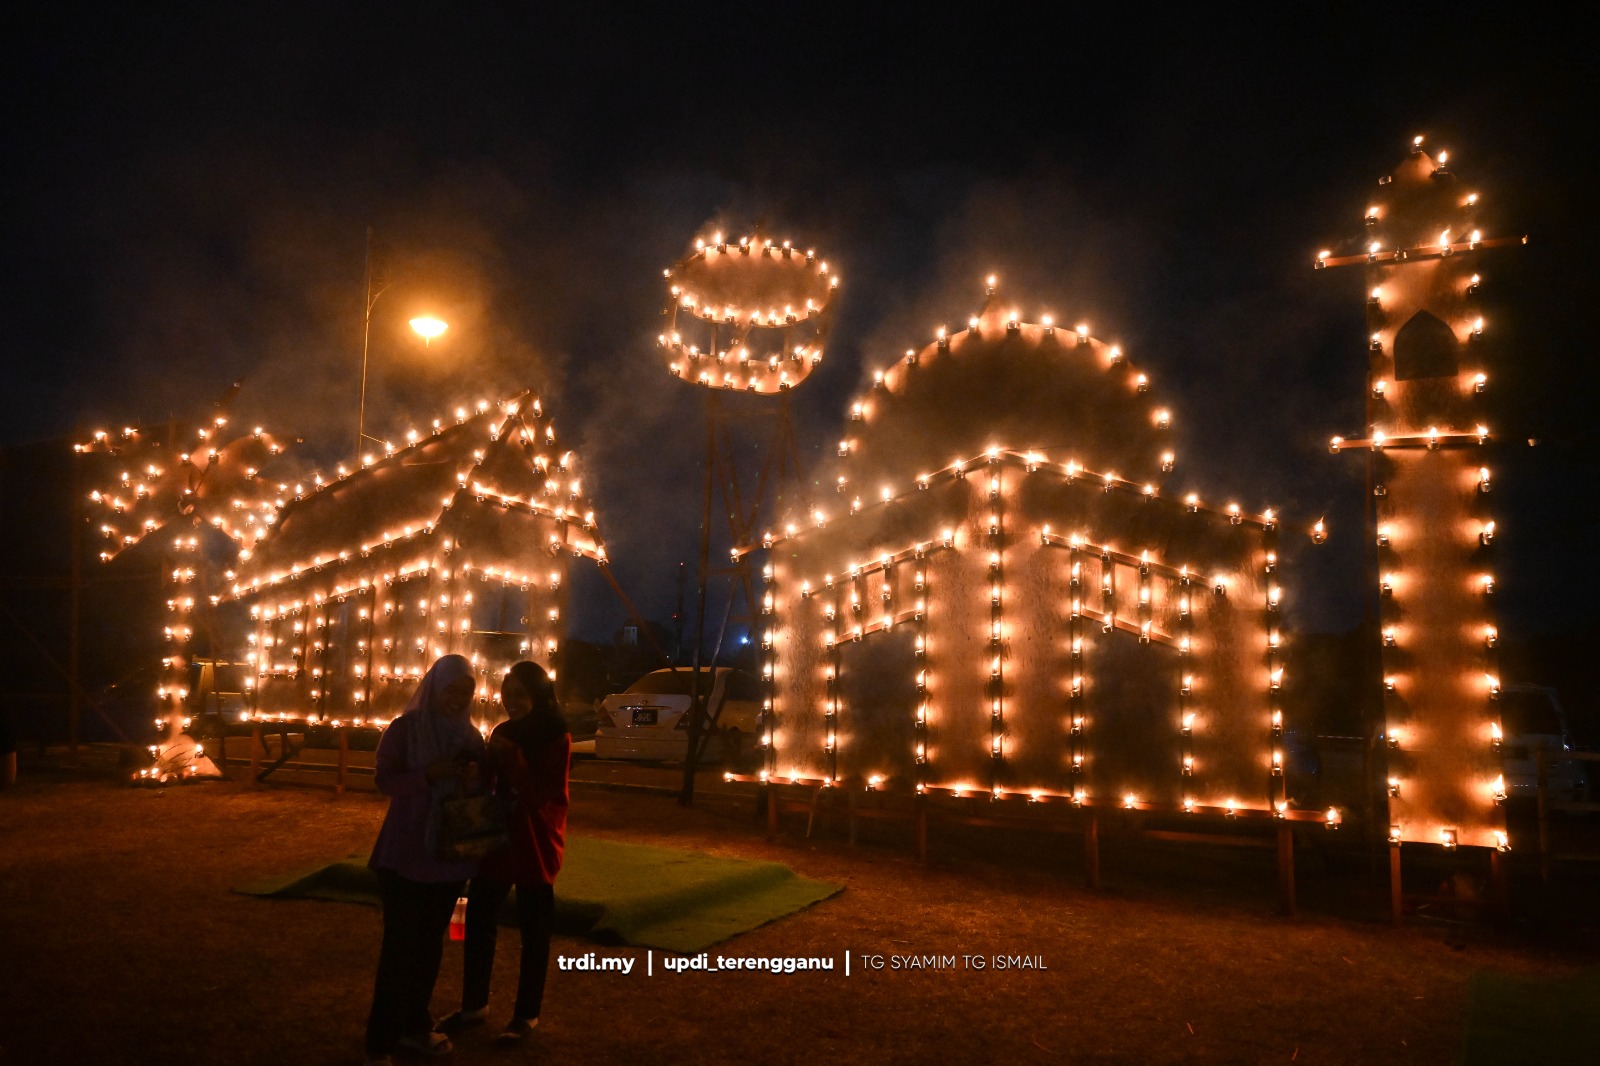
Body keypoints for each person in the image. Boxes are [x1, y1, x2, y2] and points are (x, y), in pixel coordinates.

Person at [435, 661, 570, 1045]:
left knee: (534, 929)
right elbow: (490, 782)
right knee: (478, 919)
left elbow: (545, 795)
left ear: (538, 696)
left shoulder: (556, 736)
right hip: (498, 837)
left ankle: (527, 1014)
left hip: (535, 840)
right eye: (507, 694)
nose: (512, 702)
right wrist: (475, 770)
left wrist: (514, 761)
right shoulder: (503, 732)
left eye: (521, 695)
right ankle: (474, 1004)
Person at [363, 654, 484, 1065]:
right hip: (404, 854)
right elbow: (384, 780)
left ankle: (415, 1026)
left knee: (430, 945)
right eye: (452, 689)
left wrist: (471, 781)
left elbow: (480, 793)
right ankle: (380, 1041)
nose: (458, 698)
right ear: (434, 687)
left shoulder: (470, 737)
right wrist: (426, 777)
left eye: (466, 691)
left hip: (448, 859)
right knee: (399, 948)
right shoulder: (406, 730)